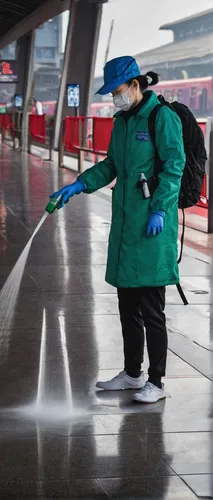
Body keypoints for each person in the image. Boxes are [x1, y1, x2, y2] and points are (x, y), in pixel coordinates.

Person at [50, 56, 185, 403]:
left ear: (136, 84)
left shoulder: (161, 117)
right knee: (128, 306)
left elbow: (174, 166)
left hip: (153, 228)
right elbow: (112, 164)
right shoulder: (123, 121)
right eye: (111, 93)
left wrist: (159, 209)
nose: (115, 97)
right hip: (127, 226)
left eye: (118, 90)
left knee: (152, 309)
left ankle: (156, 381)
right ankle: (132, 374)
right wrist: (79, 184)